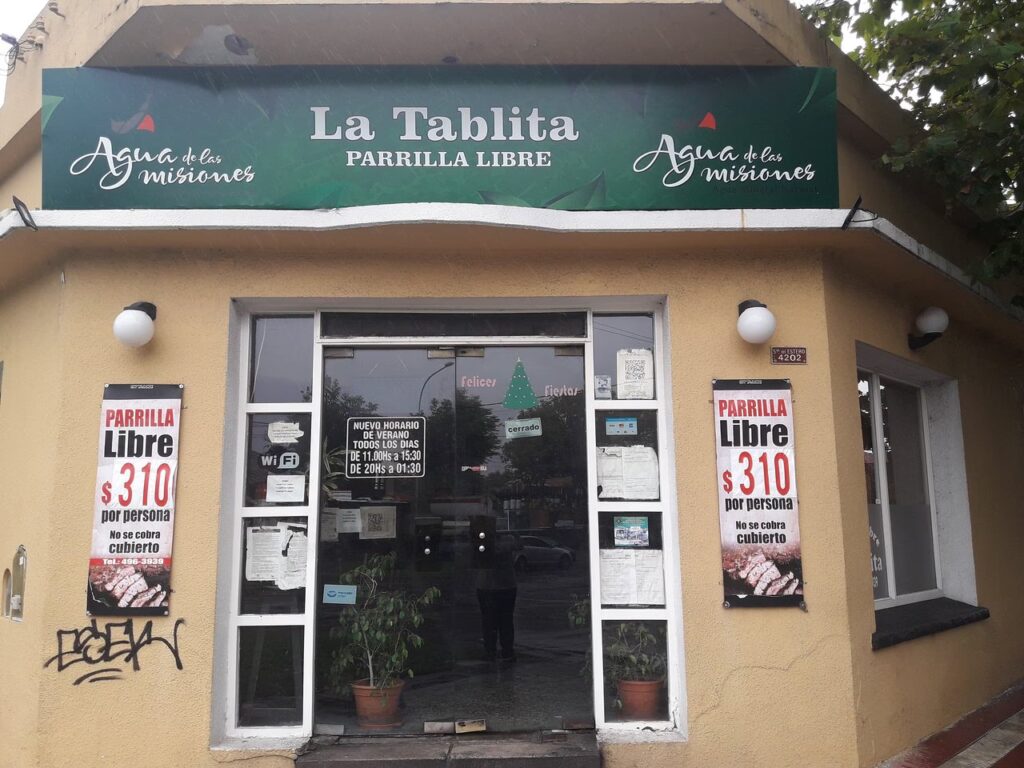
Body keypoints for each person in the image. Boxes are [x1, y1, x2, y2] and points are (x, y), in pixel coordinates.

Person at [476, 533, 518, 662]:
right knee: (504, 621)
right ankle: (505, 651)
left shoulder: (504, 540)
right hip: (503, 585)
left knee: (491, 621)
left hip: (491, 586)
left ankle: (493, 651)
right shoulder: (508, 540)